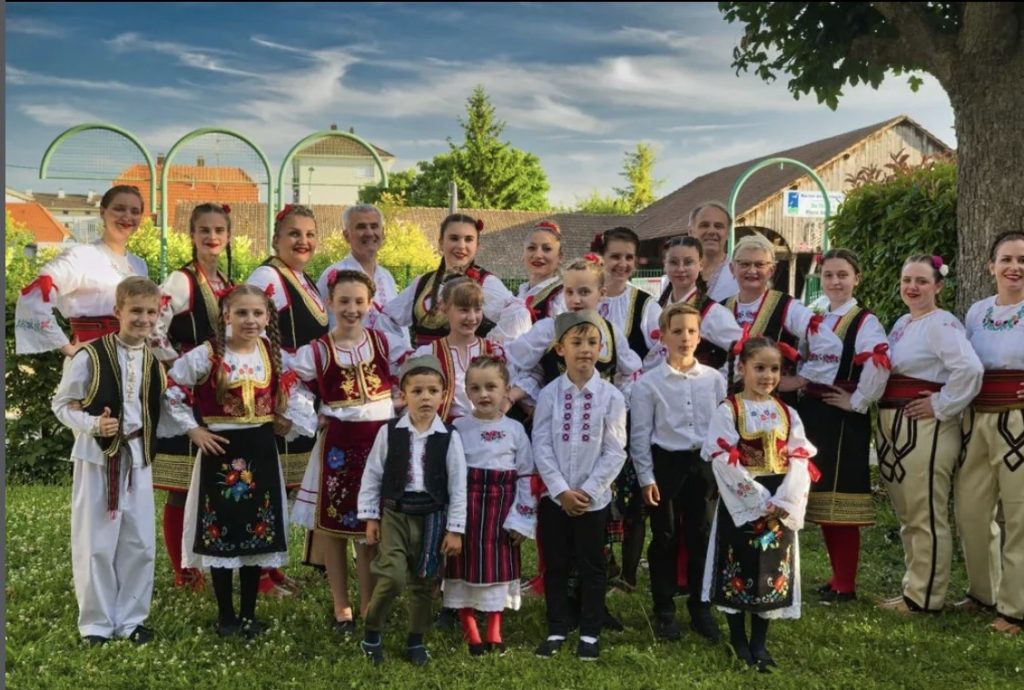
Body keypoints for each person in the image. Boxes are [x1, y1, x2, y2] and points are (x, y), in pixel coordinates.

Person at [162, 284, 317, 638]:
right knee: (221, 532)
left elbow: (295, 393)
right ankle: (226, 616)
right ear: (226, 315)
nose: (250, 320)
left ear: (267, 317)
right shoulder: (208, 354)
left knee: (256, 533)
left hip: (261, 451)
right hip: (221, 453)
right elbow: (173, 388)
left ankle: (248, 614)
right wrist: (193, 430)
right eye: (242, 313)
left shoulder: (272, 354)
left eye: (257, 313)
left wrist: (287, 420)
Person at [288, 269, 405, 634]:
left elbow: (414, 370)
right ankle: (342, 606)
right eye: (344, 301)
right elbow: (289, 382)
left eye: (358, 302)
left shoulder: (384, 343)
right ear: (329, 303)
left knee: (372, 526)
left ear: (370, 304)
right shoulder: (318, 350)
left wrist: (401, 397)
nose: (352, 309)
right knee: (334, 527)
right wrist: (311, 416)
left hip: (379, 442)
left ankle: (369, 604)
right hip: (338, 444)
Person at [52, 276, 166, 646]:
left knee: (139, 542)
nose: (143, 319)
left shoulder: (154, 361)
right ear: (118, 311)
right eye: (136, 311)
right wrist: (93, 424)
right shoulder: (90, 355)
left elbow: (163, 409)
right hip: (97, 457)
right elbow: (61, 404)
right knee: (96, 542)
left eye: (151, 312)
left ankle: (131, 620)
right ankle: (96, 625)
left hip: (138, 457)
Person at [702, 336, 818, 672]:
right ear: (742, 368)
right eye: (760, 368)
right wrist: (757, 499)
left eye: (775, 369)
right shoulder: (729, 410)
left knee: (771, 566)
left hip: (779, 497)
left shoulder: (787, 412)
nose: (768, 376)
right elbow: (722, 457)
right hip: (742, 497)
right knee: (738, 564)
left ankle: (759, 643)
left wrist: (785, 498)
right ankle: (738, 640)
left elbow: (800, 457)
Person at [876, 255, 983, 614]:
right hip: (897, 423)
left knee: (925, 511)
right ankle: (915, 587)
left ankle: (925, 597)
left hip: (926, 427)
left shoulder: (941, 323)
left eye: (922, 281)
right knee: (910, 511)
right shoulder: (903, 323)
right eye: (907, 280)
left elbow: (969, 369)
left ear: (938, 286)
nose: (912, 287)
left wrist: (940, 404)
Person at [357, 355, 468, 667]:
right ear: (403, 395)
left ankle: (415, 639)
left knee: (423, 581)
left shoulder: (449, 437)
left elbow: (458, 485)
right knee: (391, 577)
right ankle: (372, 632)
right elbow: (372, 474)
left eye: (432, 391)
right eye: (417, 391)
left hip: (432, 518)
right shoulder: (389, 432)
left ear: (443, 395)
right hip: (396, 514)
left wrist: (455, 529)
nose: (425, 397)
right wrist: (370, 517)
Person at [532, 310, 628, 662]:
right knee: (556, 563)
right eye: (577, 342)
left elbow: (615, 450)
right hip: (555, 498)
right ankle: (557, 627)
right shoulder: (549, 395)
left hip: (593, 500)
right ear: (561, 349)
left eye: (592, 342)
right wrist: (560, 490)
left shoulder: (611, 397)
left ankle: (590, 631)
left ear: (601, 348)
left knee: (592, 565)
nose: (585, 349)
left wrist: (588, 491)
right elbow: (541, 443)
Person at [148, 202, 234, 591]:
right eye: (204, 230)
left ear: (228, 236)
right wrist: (178, 364)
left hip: (215, 391)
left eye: (219, 230)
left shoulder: (225, 281)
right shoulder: (181, 280)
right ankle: (183, 571)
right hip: (186, 388)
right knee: (181, 486)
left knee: (211, 481)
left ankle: (206, 558)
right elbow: (154, 327)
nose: (212, 237)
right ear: (192, 235)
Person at [796, 249, 889, 603]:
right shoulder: (819, 314)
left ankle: (845, 583)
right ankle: (836, 577)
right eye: (829, 275)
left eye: (842, 275)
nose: (835, 281)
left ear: (856, 278)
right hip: (815, 412)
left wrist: (858, 400)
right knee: (824, 499)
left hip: (843, 415)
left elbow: (879, 362)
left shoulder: (864, 321)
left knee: (842, 499)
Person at [632, 303, 727, 642]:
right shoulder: (648, 384)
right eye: (677, 331)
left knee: (702, 536)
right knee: (665, 537)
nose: (685, 338)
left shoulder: (714, 380)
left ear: (700, 337)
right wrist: (646, 478)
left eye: (691, 331)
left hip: (703, 466)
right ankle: (664, 609)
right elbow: (640, 435)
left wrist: (722, 471)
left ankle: (701, 608)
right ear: (663, 336)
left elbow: (722, 428)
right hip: (667, 466)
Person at [247, 204, 329, 594]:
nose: (303, 241)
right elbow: (257, 334)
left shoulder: (302, 278)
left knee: (284, 485)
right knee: (268, 484)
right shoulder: (268, 276)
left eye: (310, 234)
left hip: (302, 392)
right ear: (276, 239)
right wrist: (279, 388)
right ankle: (259, 573)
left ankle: (273, 565)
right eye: (295, 234)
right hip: (281, 393)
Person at [445, 355, 536, 656]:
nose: (483, 394)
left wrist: (521, 519)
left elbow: (526, 474)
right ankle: (471, 630)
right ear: (467, 392)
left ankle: (494, 630)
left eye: (491, 387)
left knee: (498, 568)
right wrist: (452, 521)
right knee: (462, 568)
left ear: (506, 390)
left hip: (502, 512)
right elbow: (449, 474)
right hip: (467, 509)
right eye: (475, 388)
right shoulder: (458, 428)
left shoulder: (515, 430)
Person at [956, 230, 1024, 634]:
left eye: (1022, 260)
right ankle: (985, 592)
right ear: (991, 266)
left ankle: (1016, 608)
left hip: (1019, 420)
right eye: (1007, 259)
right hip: (977, 417)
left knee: (1019, 514)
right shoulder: (977, 311)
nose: (1015, 267)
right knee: (971, 510)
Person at [593, 227, 661, 589]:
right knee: (595, 484)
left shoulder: (645, 304)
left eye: (628, 257)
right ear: (602, 258)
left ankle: (630, 573)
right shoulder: (586, 297)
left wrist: (631, 390)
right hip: (590, 407)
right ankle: (602, 565)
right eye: (615, 256)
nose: (621, 264)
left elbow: (658, 355)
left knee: (632, 492)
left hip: (632, 409)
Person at [16, 185, 149, 356]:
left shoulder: (139, 265)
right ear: (103, 212)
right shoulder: (81, 256)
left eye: (135, 211)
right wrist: (67, 347)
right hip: (92, 357)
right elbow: (34, 298)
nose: (127, 216)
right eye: (119, 209)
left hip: (132, 357)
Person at [378, 213, 531, 347]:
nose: (461, 245)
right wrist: (401, 353)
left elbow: (519, 317)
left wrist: (488, 349)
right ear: (440, 243)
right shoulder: (423, 282)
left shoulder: (486, 283)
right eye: (454, 238)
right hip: (425, 368)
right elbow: (386, 319)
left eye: (468, 239)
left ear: (477, 246)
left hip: (468, 369)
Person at [723, 233, 813, 403]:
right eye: (744, 264)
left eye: (759, 264)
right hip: (730, 403)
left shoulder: (788, 307)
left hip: (774, 404)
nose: (752, 271)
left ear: (772, 270)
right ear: (732, 269)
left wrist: (800, 379)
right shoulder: (721, 307)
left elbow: (825, 340)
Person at [412, 278, 504, 422]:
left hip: (486, 427)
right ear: (444, 308)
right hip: (444, 429)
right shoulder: (428, 354)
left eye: (477, 309)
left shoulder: (494, 351)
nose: (472, 317)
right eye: (464, 310)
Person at [653, 235, 742, 371]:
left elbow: (745, 352)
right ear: (665, 265)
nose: (681, 269)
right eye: (673, 262)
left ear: (700, 265)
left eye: (688, 262)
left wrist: (718, 379)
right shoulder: (655, 308)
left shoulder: (713, 312)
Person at [315, 203, 402, 336]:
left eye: (374, 226)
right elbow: (317, 323)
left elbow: (399, 326)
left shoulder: (387, 277)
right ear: (346, 235)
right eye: (361, 227)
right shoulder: (333, 274)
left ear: (383, 233)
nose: (369, 233)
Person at [687, 201, 738, 302]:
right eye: (704, 225)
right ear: (691, 232)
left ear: (728, 233)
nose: (711, 231)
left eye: (718, 226)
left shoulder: (739, 276)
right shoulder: (677, 274)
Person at [519, 220, 566, 322]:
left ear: (560, 256)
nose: (538, 255)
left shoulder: (562, 297)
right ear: (523, 253)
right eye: (531, 248)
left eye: (547, 249)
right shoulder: (520, 294)